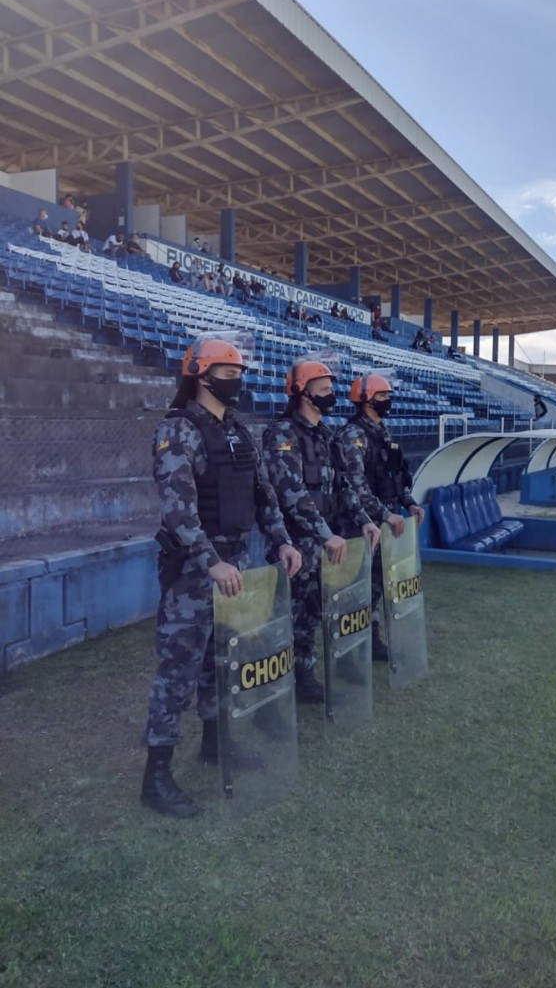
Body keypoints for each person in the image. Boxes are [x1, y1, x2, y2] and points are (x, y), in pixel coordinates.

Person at [141, 337, 302, 819]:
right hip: (194, 574)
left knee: (221, 663)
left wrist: (282, 540)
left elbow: (264, 494)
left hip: (234, 566)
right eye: (227, 374)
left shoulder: (239, 431)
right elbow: (178, 510)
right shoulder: (178, 431)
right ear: (200, 376)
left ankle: (214, 744)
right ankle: (155, 777)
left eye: (239, 374)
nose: (237, 382)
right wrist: (211, 562)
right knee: (178, 673)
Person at [262, 359, 380, 703]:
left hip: (323, 544)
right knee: (287, 615)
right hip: (294, 544)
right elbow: (291, 492)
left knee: (311, 614)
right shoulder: (282, 434)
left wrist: (364, 519)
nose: (331, 394)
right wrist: (324, 533)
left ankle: (303, 676)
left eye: (331, 388)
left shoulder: (326, 436)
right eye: (324, 389)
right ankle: (275, 687)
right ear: (302, 392)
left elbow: (343, 486)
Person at [333, 374, 425, 660]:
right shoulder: (353, 435)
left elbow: (394, 475)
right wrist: (384, 514)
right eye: (382, 396)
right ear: (367, 400)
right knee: (355, 588)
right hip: (360, 525)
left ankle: (370, 640)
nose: (388, 401)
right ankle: (350, 646)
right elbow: (356, 485)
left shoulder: (382, 432)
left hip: (385, 522)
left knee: (375, 586)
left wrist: (409, 502)